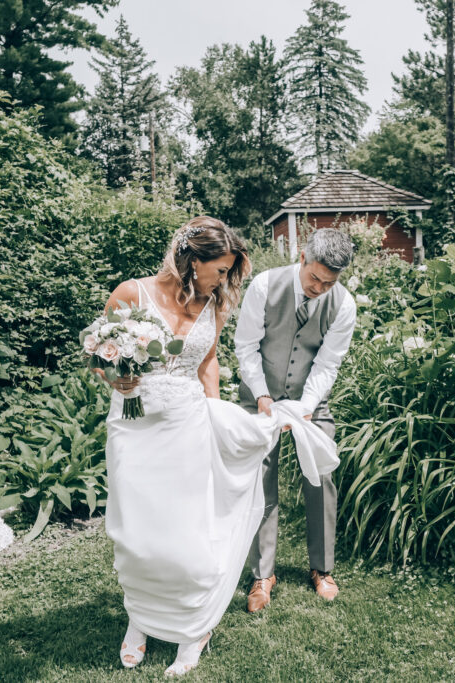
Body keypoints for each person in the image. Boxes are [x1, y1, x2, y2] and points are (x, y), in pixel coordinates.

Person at [97, 217, 338, 676]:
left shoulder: (213, 304)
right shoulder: (132, 294)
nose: (224, 279)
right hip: (134, 427)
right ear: (191, 260)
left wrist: (217, 416)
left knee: (186, 533)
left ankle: (194, 627)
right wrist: (115, 376)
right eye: (220, 269)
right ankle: (140, 621)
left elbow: (208, 362)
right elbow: (101, 358)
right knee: (136, 535)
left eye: (229, 271)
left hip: (188, 425)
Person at [234, 228, 357, 612]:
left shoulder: (344, 304)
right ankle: (262, 573)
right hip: (259, 396)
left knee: (320, 475)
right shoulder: (263, 286)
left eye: (329, 282)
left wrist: (305, 407)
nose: (319, 287)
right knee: (259, 478)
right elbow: (246, 346)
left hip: (310, 399)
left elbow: (328, 362)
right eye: (314, 277)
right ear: (302, 257)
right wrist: (262, 395)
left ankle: (322, 568)